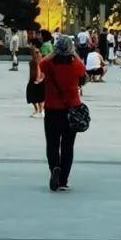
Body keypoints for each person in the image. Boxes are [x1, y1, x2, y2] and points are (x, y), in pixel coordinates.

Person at [40, 34, 87, 191]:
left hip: (52, 109)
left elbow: (42, 62)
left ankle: (54, 167)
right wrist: (73, 52)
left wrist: (54, 51)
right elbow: (83, 71)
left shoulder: (49, 65)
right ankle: (63, 180)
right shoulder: (76, 66)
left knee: (52, 143)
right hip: (71, 109)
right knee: (68, 145)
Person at [26, 37, 46, 115]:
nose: (29, 45)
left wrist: (38, 77)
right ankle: (39, 110)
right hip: (33, 76)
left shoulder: (36, 54)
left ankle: (39, 110)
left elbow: (38, 66)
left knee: (34, 93)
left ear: (34, 45)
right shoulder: (36, 53)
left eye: (30, 44)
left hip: (36, 77)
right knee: (35, 93)